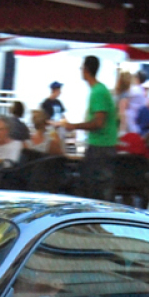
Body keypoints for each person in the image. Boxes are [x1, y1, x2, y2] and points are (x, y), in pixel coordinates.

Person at [61, 54, 118, 200]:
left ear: (85, 69)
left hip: (100, 147)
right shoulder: (101, 90)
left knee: (93, 190)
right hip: (104, 145)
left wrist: (74, 126)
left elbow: (98, 122)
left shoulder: (97, 92)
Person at [116, 70, 149, 136]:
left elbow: (123, 108)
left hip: (129, 118)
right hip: (136, 118)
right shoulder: (142, 90)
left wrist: (121, 130)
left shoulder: (132, 90)